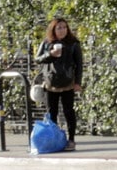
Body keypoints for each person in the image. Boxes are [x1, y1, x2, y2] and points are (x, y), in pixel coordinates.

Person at [34, 17, 84, 147]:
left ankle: (71, 139)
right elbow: (38, 59)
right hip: (51, 83)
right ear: (53, 29)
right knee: (52, 112)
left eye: (64, 27)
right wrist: (50, 54)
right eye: (59, 28)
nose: (62, 30)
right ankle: (54, 139)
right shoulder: (47, 42)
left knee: (69, 111)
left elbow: (79, 64)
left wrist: (77, 82)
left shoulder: (73, 43)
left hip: (68, 82)